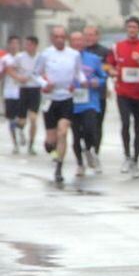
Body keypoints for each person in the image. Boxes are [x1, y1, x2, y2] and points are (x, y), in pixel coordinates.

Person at [107, 16, 139, 178]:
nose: (132, 30)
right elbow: (108, 64)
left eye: (135, 27)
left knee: (138, 127)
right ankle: (126, 156)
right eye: (129, 27)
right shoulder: (117, 47)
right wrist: (112, 71)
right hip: (122, 93)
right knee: (124, 123)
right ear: (126, 29)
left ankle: (136, 160)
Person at [33, 26, 84, 186]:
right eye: (56, 37)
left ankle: (59, 168)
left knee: (63, 132)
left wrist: (78, 83)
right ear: (52, 38)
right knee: (51, 140)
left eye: (62, 36)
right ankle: (49, 144)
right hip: (50, 99)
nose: (60, 39)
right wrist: (44, 83)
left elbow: (79, 73)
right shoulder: (46, 54)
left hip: (66, 98)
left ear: (66, 38)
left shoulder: (74, 55)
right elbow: (35, 74)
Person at [69, 30, 105, 176]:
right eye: (74, 40)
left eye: (80, 40)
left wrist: (98, 82)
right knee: (76, 135)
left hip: (90, 101)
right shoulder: (65, 58)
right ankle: (79, 163)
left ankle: (89, 149)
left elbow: (103, 77)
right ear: (70, 43)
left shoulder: (94, 59)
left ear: (84, 42)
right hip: (72, 102)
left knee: (91, 129)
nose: (78, 43)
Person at [82, 25, 110, 155]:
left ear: (97, 36)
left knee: (97, 124)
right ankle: (86, 145)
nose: (89, 37)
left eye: (91, 35)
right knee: (83, 125)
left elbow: (107, 71)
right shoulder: (78, 52)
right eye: (86, 35)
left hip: (99, 94)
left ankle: (95, 151)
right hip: (81, 95)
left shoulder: (104, 52)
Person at [15, 35, 42, 155]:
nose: (27, 47)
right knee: (22, 120)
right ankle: (20, 130)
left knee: (33, 119)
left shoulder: (41, 57)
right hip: (24, 89)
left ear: (35, 45)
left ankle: (31, 144)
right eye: (26, 44)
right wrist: (18, 77)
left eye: (29, 44)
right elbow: (10, 69)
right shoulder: (19, 57)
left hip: (35, 89)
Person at [1, 36, 23, 153]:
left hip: (22, 92)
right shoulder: (4, 59)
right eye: (12, 43)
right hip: (9, 93)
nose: (14, 45)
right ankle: (15, 144)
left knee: (21, 118)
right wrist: (4, 70)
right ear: (9, 45)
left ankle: (21, 130)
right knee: (11, 119)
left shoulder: (23, 57)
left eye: (17, 43)